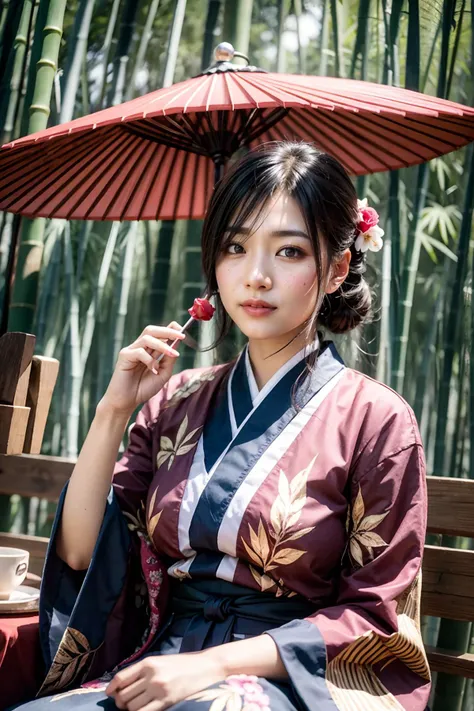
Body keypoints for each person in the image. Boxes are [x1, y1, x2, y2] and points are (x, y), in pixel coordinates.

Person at [13, 142, 431, 711]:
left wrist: (212, 665)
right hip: (159, 659)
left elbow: (373, 616)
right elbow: (83, 556)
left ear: (335, 268)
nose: (255, 276)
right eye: (235, 247)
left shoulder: (376, 421)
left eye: (288, 251)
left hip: (284, 680)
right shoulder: (178, 400)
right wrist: (114, 410)